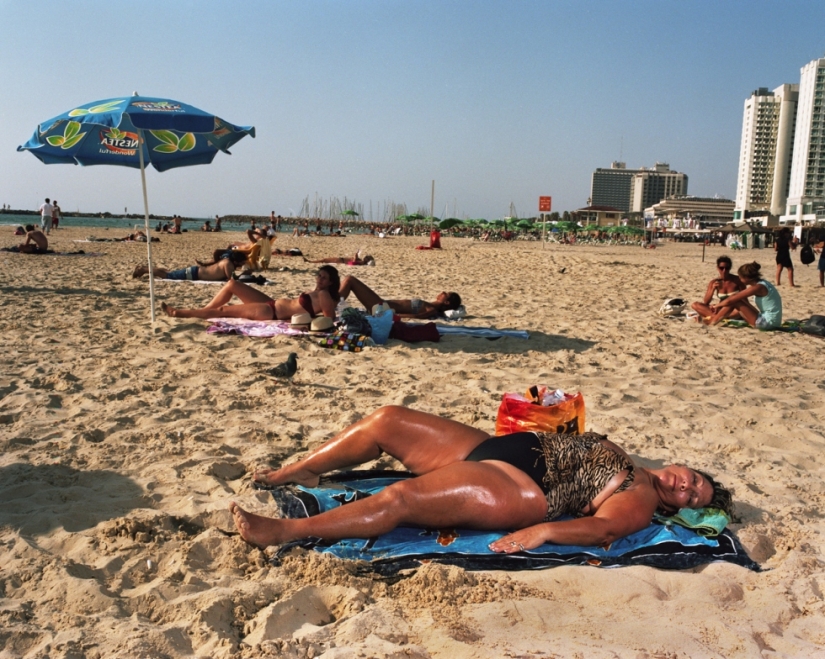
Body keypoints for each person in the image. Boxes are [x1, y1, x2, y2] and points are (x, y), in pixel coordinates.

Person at [230, 406, 732, 550]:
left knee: (401, 497)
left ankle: (285, 532)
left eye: (691, 495)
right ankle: (300, 471)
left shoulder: (641, 494)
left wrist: (548, 530)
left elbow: (606, 530)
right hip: (494, 446)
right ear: (682, 466)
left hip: (520, 486)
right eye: (692, 478)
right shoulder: (636, 461)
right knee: (386, 421)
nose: (684, 486)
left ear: (677, 507)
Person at [161, 265, 340, 320]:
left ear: (331, 282)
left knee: (223, 311)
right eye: (319, 275)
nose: (319, 279)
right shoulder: (317, 292)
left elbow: (328, 320)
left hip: (271, 312)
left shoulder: (324, 295)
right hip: (272, 303)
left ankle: (179, 313)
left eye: (323, 278)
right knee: (232, 284)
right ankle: (202, 311)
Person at [701, 261, 782, 328]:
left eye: (740, 277)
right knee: (738, 300)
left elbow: (730, 300)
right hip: (772, 321)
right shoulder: (763, 283)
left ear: (746, 278)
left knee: (735, 301)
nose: (739, 279)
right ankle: (715, 318)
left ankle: (713, 321)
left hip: (767, 323)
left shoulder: (758, 287)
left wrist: (716, 306)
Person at [338, 275, 461, 319]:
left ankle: (331, 303)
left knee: (350, 280)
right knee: (350, 280)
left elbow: (416, 316)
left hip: (381, 308)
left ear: (447, 303)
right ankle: (330, 303)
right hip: (382, 305)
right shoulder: (429, 305)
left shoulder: (432, 309)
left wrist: (391, 315)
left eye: (446, 294)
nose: (443, 292)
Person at [132, 249, 247, 281]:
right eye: (242, 263)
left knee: (168, 272)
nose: (242, 265)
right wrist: (246, 273)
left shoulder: (226, 261)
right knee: (167, 275)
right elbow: (231, 279)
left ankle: (145, 269)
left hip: (195, 272)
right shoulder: (228, 264)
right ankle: (143, 270)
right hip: (194, 274)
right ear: (237, 261)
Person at [690, 255, 745, 320]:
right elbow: (706, 302)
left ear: (730, 268)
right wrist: (713, 289)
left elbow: (744, 299)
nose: (724, 271)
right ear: (717, 268)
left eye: (727, 268)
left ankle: (716, 317)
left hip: (734, 309)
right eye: (721, 268)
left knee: (739, 312)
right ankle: (720, 317)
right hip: (720, 309)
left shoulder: (737, 280)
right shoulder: (714, 282)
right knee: (695, 305)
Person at [303, 253, 375, 266]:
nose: (365, 257)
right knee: (324, 260)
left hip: (341, 261)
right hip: (341, 260)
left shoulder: (362, 262)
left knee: (324, 260)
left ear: (367, 260)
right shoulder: (361, 260)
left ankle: (310, 261)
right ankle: (310, 261)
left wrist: (355, 257)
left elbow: (354, 262)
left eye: (367, 257)